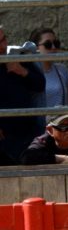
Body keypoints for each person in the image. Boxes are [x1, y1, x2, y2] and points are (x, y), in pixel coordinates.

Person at [0, 25, 46, 165]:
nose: (3, 46)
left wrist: (21, 70)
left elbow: (40, 85)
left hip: (27, 130)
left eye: (3, 39)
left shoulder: (16, 56)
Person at [29, 28, 68, 107]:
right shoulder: (29, 73)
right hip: (42, 118)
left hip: (63, 118)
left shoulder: (62, 70)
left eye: (56, 43)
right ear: (36, 48)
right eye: (48, 45)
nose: (53, 47)